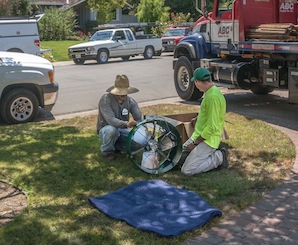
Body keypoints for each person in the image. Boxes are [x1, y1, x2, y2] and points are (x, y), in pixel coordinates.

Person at [180, 67, 228, 176]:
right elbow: (208, 114)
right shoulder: (209, 92)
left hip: (208, 140)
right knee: (177, 158)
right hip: (198, 136)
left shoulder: (213, 97)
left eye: (195, 82)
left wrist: (195, 143)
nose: (195, 85)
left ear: (197, 82)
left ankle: (219, 157)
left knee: (187, 170)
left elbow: (212, 128)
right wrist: (197, 119)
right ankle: (198, 156)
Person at [96, 75, 143, 160]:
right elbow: (110, 120)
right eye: (121, 92)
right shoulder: (105, 100)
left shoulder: (130, 101)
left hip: (123, 129)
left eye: (125, 92)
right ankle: (107, 152)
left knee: (140, 143)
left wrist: (143, 127)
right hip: (106, 128)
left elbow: (139, 117)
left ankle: (117, 147)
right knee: (111, 131)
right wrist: (127, 124)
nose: (124, 94)